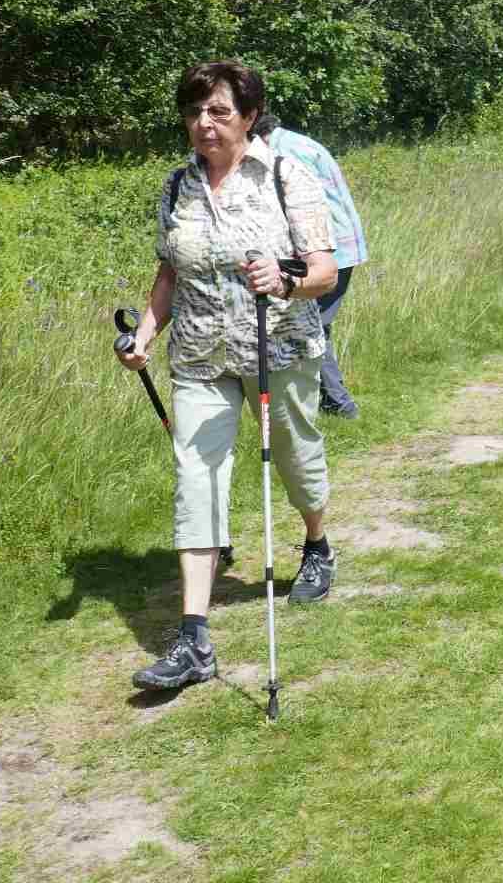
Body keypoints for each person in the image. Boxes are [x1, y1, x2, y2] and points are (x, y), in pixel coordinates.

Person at [114, 61, 340, 691]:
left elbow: (325, 269)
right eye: (193, 112)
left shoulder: (287, 177)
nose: (203, 124)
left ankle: (317, 543)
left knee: (297, 458)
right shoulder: (176, 186)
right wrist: (145, 336)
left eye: (217, 111)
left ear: (248, 115)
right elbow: (170, 274)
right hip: (199, 355)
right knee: (195, 474)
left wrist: (288, 280)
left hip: (279, 348)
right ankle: (194, 639)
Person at [253, 114, 368, 420]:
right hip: (342, 247)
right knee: (315, 325)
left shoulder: (283, 154)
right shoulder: (297, 142)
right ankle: (329, 402)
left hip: (329, 253)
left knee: (313, 326)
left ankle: (338, 405)